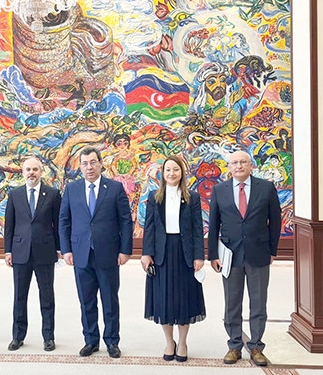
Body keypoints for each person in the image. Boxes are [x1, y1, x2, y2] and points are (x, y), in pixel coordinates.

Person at [207, 150, 281, 367]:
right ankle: (234, 345)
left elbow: (275, 221)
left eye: (243, 162)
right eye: (234, 163)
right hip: (230, 255)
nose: (239, 166)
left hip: (259, 252)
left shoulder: (266, 188)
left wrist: (272, 250)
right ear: (229, 167)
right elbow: (214, 224)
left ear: (251, 165)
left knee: (258, 302)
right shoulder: (219, 190)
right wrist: (213, 255)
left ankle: (256, 346)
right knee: (232, 302)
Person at [59, 147, 133, 358]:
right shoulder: (71, 189)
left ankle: (112, 341)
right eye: (84, 163)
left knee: (110, 300)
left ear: (100, 163)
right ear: (80, 167)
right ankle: (90, 340)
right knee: (86, 301)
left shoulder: (115, 188)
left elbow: (126, 221)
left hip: (108, 253)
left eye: (93, 162)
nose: (89, 167)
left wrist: (125, 250)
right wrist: (66, 250)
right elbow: (64, 221)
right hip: (80, 253)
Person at [140, 156, 206, 362]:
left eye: (175, 170)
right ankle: (169, 342)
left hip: (185, 253)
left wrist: (199, 256)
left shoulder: (192, 197)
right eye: (168, 170)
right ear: (162, 173)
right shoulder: (154, 196)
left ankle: (183, 342)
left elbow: (197, 228)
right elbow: (149, 226)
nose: (171, 173)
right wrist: (146, 253)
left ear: (182, 172)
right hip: (161, 253)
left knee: (184, 298)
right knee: (164, 299)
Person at [4, 156, 61, 352]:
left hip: (45, 251)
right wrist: (8, 251)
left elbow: (57, 224)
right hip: (20, 252)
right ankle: (18, 336)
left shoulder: (53, 194)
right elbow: (9, 225)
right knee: (19, 296)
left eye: (35, 169)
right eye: (28, 169)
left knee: (47, 296)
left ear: (41, 172)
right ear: (23, 172)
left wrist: (59, 249)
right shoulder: (15, 194)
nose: (31, 173)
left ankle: (48, 337)